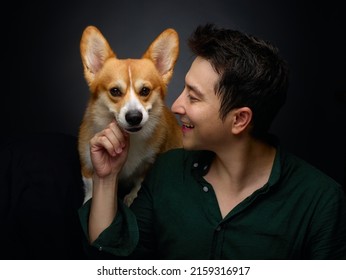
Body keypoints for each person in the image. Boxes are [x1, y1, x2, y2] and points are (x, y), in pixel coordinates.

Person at [78, 23, 346, 259]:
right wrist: (106, 178)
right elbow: (112, 258)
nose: (176, 105)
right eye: (182, 90)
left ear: (239, 119)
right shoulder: (166, 172)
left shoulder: (321, 200)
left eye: (193, 97)